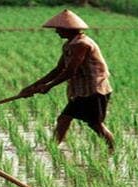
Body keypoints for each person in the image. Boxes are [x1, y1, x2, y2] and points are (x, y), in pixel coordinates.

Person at [19, 9, 115, 153]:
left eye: (59, 28)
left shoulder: (81, 44)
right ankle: (53, 148)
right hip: (82, 91)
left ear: (68, 29)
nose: (57, 31)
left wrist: (49, 86)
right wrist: (33, 86)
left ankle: (112, 150)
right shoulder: (69, 45)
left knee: (95, 124)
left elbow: (70, 71)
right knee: (64, 118)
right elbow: (58, 69)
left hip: (93, 90)